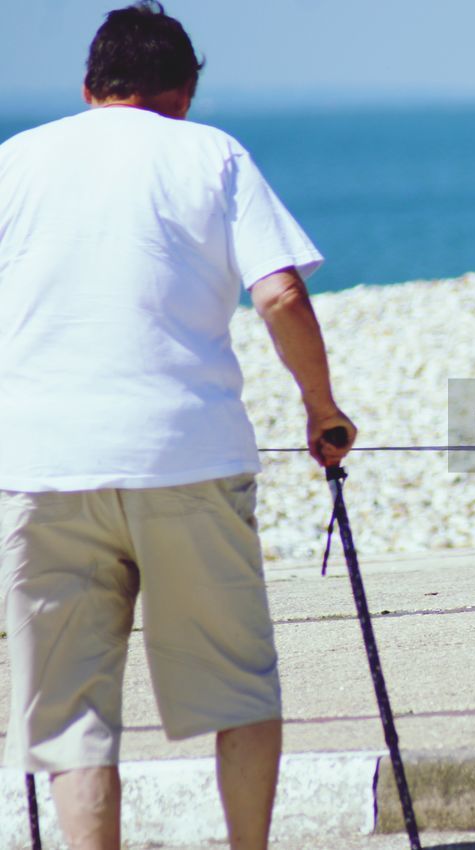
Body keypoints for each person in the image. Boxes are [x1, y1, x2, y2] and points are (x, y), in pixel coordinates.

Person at [0, 3, 356, 848]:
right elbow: (279, 295)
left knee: (72, 714)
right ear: (185, 90)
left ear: (89, 87)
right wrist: (321, 410)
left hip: (41, 466)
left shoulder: (14, 160)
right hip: (187, 456)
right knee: (238, 686)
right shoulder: (212, 154)